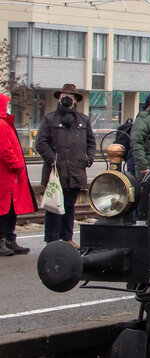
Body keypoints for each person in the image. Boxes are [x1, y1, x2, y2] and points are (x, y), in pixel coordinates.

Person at [35, 83, 96, 243]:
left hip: (76, 171)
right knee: (53, 206)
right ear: (59, 98)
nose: (67, 98)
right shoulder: (49, 118)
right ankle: (52, 240)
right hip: (56, 172)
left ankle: (67, 238)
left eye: (70, 96)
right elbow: (41, 143)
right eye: (64, 96)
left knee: (69, 207)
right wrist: (53, 159)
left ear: (76, 99)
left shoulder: (83, 119)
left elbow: (91, 142)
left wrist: (88, 158)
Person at [0, 93, 35, 256]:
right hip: (7, 176)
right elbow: (5, 150)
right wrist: (17, 166)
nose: (8, 108)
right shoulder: (1, 124)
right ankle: (3, 240)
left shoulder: (4, 123)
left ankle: (9, 239)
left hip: (10, 176)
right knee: (4, 209)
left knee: (11, 209)